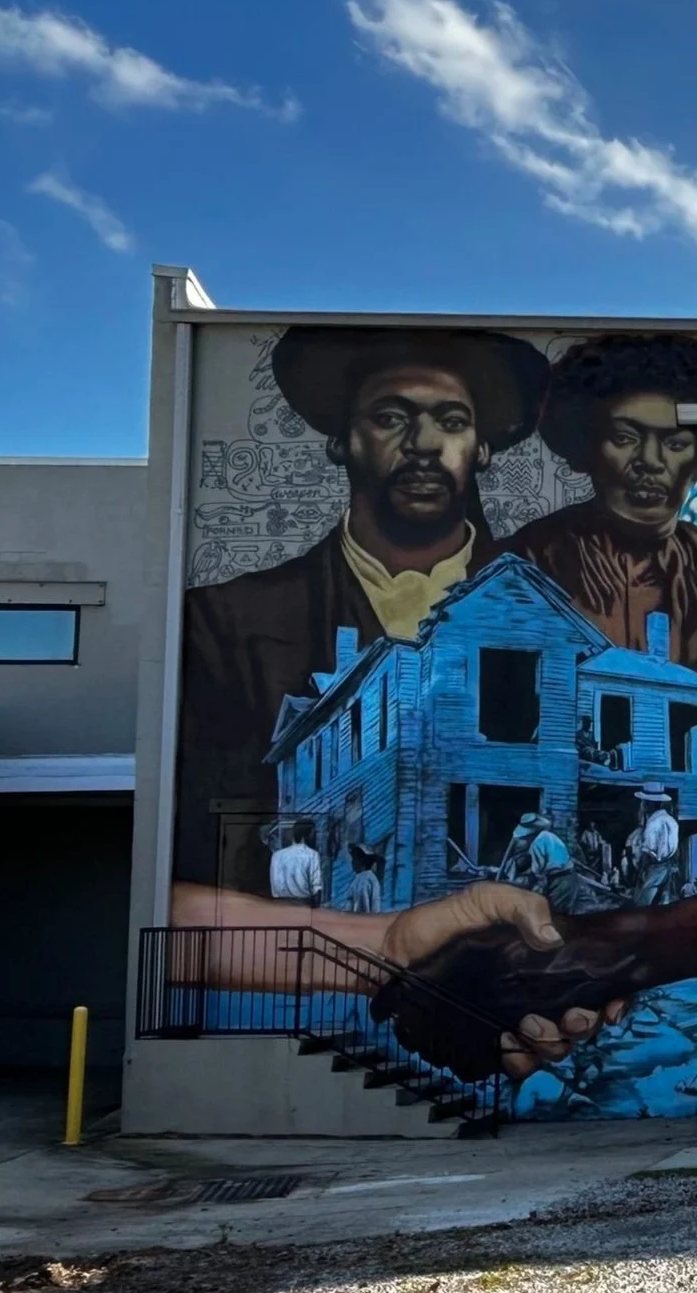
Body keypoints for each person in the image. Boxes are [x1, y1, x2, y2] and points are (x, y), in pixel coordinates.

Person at [176, 326, 549, 899]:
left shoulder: (552, 609)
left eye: (451, 421)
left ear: (482, 448)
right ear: (340, 441)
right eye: (390, 418)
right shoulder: (226, 622)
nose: (424, 443)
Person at [502, 334, 697, 831]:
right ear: (585, 448)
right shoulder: (523, 570)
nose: (650, 462)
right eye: (625, 437)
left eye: (675, 442)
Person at [627, 783, 683, 904]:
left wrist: (641, 871)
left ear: (649, 803)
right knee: (664, 900)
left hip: (654, 867)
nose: (642, 805)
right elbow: (675, 849)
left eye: (643, 802)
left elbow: (649, 853)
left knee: (643, 902)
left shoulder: (653, 823)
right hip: (667, 866)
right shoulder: (672, 821)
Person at [269, 821, 323, 905]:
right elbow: (316, 887)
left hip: (279, 905)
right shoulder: (312, 855)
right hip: (303, 905)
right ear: (307, 835)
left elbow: (274, 885)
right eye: (314, 833)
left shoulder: (277, 855)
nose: (316, 837)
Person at [343, 842, 385, 914]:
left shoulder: (370, 880)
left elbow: (375, 907)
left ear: (362, 861)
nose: (352, 862)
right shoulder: (357, 879)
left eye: (354, 859)